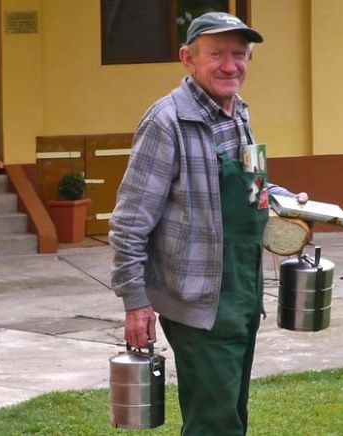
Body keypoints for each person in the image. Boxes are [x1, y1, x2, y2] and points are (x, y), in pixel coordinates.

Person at [109, 11, 308, 435]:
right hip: (197, 299)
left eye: (240, 55)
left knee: (232, 412)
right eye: (216, 54)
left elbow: (248, 191)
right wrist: (134, 300)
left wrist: (288, 205)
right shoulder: (166, 122)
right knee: (214, 423)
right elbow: (128, 222)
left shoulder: (238, 115)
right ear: (188, 58)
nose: (230, 65)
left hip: (242, 292)